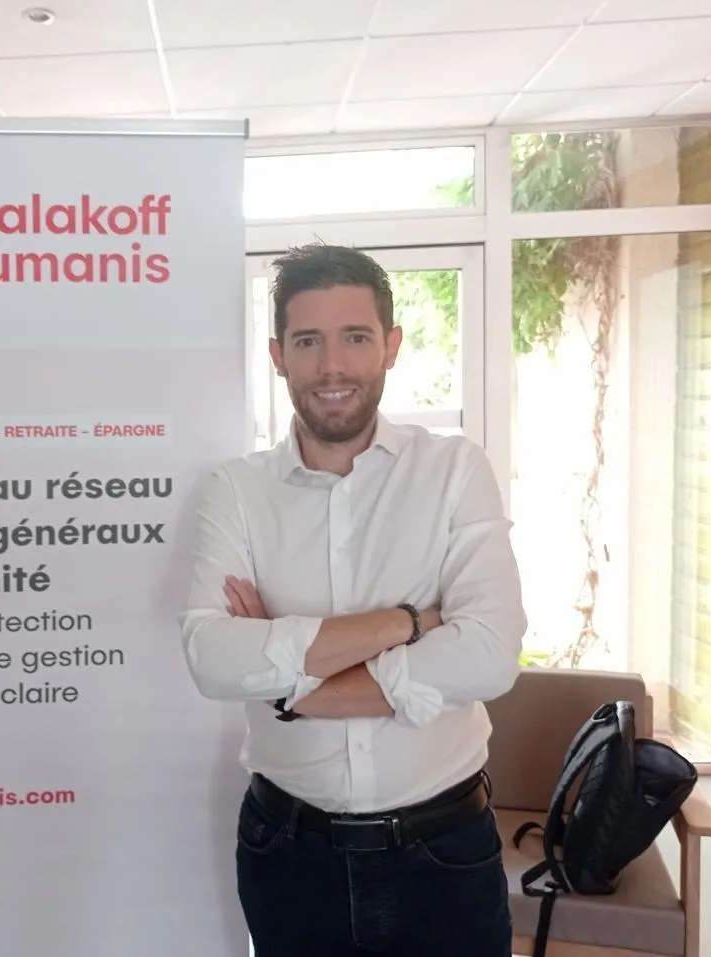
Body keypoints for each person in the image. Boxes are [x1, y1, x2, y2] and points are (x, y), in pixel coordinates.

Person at [179, 243, 528, 956]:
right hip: (289, 857)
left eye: (356, 338)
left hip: (444, 854)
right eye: (308, 341)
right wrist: (405, 624)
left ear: (391, 346)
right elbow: (212, 658)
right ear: (278, 355)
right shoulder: (236, 490)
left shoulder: (454, 470)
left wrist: (296, 687)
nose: (332, 365)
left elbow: (490, 654)